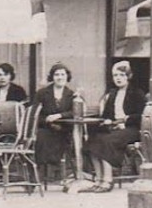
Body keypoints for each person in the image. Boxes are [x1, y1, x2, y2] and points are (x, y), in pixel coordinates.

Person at [83, 60, 146, 192]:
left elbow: (142, 115)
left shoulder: (136, 93)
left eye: (122, 75)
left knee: (106, 141)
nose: (118, 78)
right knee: (92, 141)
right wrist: (107, 120)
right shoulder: (112, 94)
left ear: (128, 76)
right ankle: (99, 180)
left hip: (132, 129)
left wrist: (126, 120)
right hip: (115, 128)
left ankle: (108, 180)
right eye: (115, 75)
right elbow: (107, 115)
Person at [31, 62, 78, 182]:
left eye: (63, 74)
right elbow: (34, 114)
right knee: (41, 137)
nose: (60, 77)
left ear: (67, 77)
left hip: (63, 130)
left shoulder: (71, 94)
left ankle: (55, 171)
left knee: (59, 139)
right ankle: (39, 174)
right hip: (46, 128)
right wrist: (46, 119)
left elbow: (75, 112)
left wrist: (59, 115)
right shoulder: (42, 93)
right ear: (52, 77)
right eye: (57, 74)